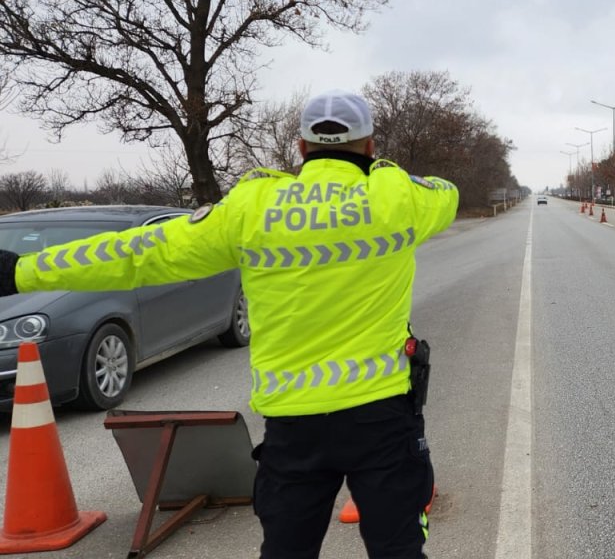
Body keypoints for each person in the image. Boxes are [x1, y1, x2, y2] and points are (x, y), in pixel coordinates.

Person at [0, 89, 458, 559]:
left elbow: (139, 252)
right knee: (398, 550)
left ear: (300, 148)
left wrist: (22, 272)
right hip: (379, 416)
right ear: (368, 145)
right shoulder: (396, 198)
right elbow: (447, 193)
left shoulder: (252, 208)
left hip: (293, 425)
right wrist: (383, 171)